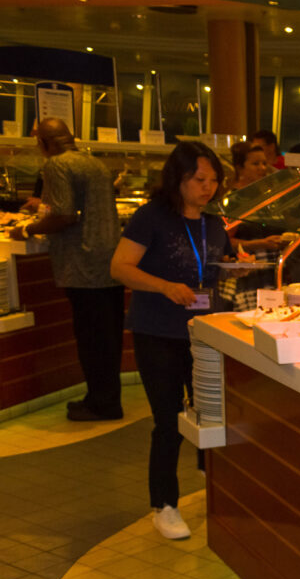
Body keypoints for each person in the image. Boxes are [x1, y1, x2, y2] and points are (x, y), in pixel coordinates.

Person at [110, 141, 232, 540]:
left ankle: (211, 483)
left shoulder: (214, 221)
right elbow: (120, 268)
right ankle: (163, 505)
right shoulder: (152, 217)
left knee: (209, 415)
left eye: (213, 180)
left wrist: (238, 267)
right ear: (177, 179)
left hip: (206, 333)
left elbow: (216, 267)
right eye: (199, 180)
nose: (207, 187)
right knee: (167, 420)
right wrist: (164, 286)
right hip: (158, 331)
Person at [10, 118, 125, 421]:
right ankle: (104, 397)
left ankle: (102, 403)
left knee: (91, 337)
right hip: (108, 261)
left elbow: (64, 216)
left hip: (81, 264)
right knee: (108, 336)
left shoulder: (57, 165)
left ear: (45, 143)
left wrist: (29, 229)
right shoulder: (94, 163)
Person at [218, 142, 285, 310]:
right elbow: (223, 241)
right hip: (245, 277)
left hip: (271, 273)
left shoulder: (268, 197)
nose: (262, 168)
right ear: (239, 167)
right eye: (255, 164)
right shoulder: (233, 200)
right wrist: (260, 243)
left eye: (264, 163)